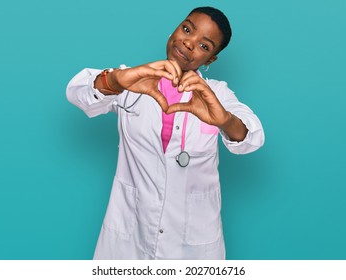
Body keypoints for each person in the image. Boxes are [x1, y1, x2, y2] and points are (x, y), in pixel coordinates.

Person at [66, 6, 264, 260]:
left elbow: (252, 138)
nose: (188, 43)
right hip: (129, 237)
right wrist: (115, 81)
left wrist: (224, 119)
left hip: (193, 246)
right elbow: (77, 92)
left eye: (204, 46)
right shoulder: (134, 79)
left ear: (211, 59)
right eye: (186, 29)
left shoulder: (217, 94)